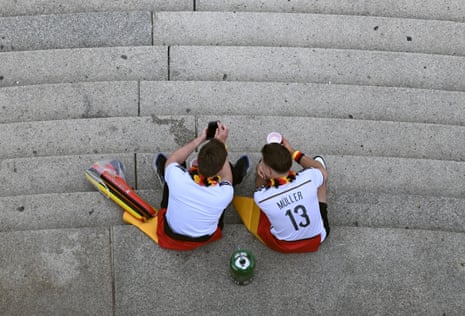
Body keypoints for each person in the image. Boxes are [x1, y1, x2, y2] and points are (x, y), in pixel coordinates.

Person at [153, 122, 250, 251]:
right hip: (204, 236)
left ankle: (165, 178)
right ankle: (238, 175)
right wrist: (220, 145)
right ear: (220, 168)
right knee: (231, 177)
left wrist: (201, 138)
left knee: (171, 173)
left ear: (197, 160)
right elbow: (227, 178)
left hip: (171, 231)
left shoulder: (177, 178)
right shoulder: (224, 194)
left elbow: (173, 160)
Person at [252, 136, 329, 253]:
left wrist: (259, 169)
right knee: (320, 178)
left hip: (284, 243)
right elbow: (321, 169)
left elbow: (259, 186)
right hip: (319, 236)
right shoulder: (309, 177)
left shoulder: (261, 198)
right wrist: (293, 152)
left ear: (269, 171)